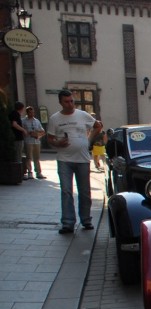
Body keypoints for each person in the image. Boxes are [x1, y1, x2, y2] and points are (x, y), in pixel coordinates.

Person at [46, 90, 103, 234]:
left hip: (82, 159)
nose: (70, 104)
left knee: (84, 192)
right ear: (60, 102)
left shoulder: (82, 115)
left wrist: (88, 140)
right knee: (66, 191)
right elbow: (50, 139)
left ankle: (86, 220)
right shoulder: (55, 119)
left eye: (72, 101)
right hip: (64, 160)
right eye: (67, 101)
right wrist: (58, 143)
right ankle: (68, 223)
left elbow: (98, 126)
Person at [22, 105, 46, 180]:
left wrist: (37, 133)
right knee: (29, 157)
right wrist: (28, 132)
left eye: (33, 112)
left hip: (36, 141)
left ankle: (38, 172)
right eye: (30, 112)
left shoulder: (36, 121)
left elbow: (42, 131)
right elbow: (22, 131)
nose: (32, 114)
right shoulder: (23, 121)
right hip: (28, 141)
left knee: (37, 157)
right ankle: (29, 172)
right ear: (27, 113)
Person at [9, 101, 26, 177]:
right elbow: (14, 124)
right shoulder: (15, 114)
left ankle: (18, 173)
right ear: (21, 108)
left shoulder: (14, 113)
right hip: (17, 138)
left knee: (18, 154)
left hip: (16, 137)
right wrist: (23, 130)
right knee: (18, 155)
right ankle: (18, 174)